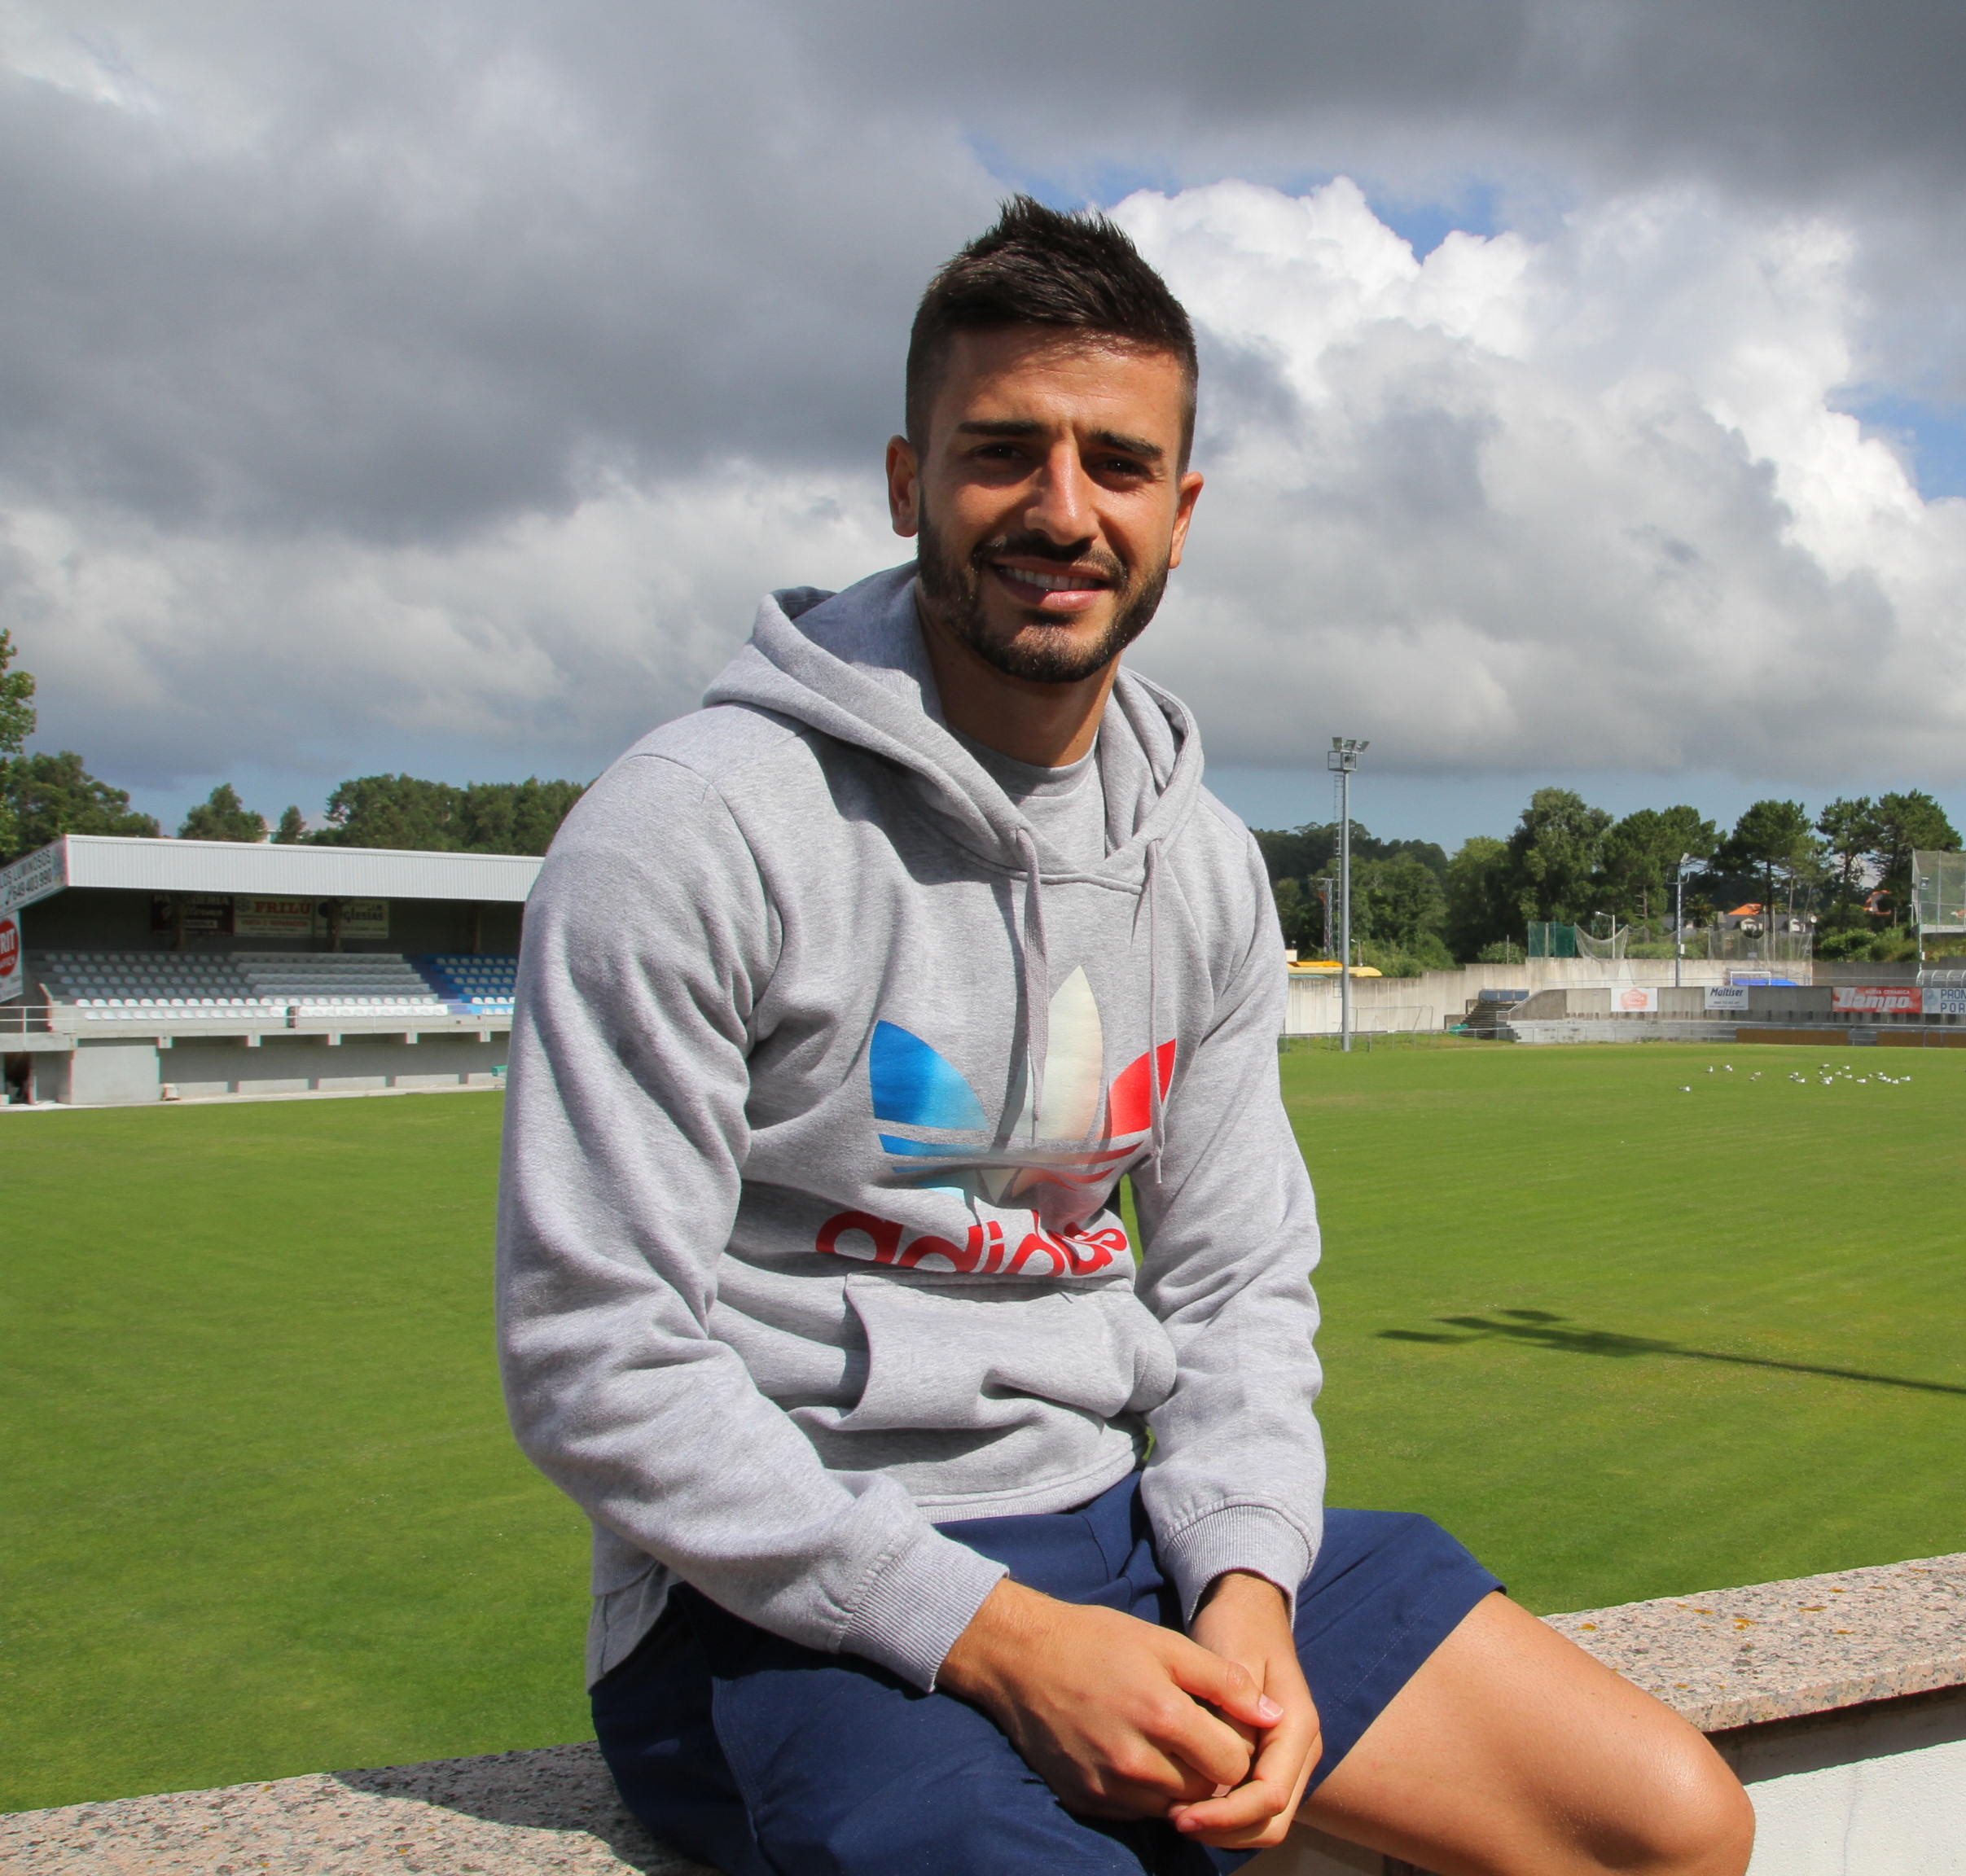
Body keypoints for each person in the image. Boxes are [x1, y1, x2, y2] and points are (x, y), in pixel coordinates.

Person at [496, 198, 1753, 1876]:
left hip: (1121, 1528)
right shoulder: (691, 828)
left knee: (1663, 1826)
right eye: (1003, 452)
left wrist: (1246, 1584)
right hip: (784, 1597)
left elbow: (1237, 1287)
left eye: (1118, 463)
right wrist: (1003, 1642)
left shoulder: (1206, 862)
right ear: (904, 480)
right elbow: (599, 1359)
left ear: (1182, 507)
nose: (1062, 511)